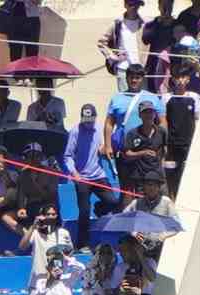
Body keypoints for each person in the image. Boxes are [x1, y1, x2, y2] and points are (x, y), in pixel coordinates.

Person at [65, 103, 120, 250]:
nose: (88, 123)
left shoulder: (98, 130)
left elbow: (99, 148)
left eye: (91, 120)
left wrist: (105, 149)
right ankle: (82, 244)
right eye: (86, 120)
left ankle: (99, 208)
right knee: (84, 211)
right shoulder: (75, 131)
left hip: (98, 175)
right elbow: (68, 156)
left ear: (95, 118)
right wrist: (74, 173)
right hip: (82, 177)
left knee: (113, 202)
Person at [162, 61, 200, 196]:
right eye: (177, 77)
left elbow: (196, 120)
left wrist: (195, 143)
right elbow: (164, 121)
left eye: (183, 77)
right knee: (170, 173)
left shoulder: (194, 97)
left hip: (188, 143)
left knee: (186, 173)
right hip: (172, 144)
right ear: (173, 79)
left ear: (188, 79)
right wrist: (165, 142)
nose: (180, 80)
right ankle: (172, 197)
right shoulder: (167, 97)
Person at [99, 0, 148, 81]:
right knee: (124, 94)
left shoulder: (145, 24)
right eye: (131, 4)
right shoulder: (117, 24)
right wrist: (113, 57)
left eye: (137, 4)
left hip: (141, 69)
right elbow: (101, 43)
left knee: (143, 94)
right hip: (123, 69)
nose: (134, 7)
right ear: (125, 5)